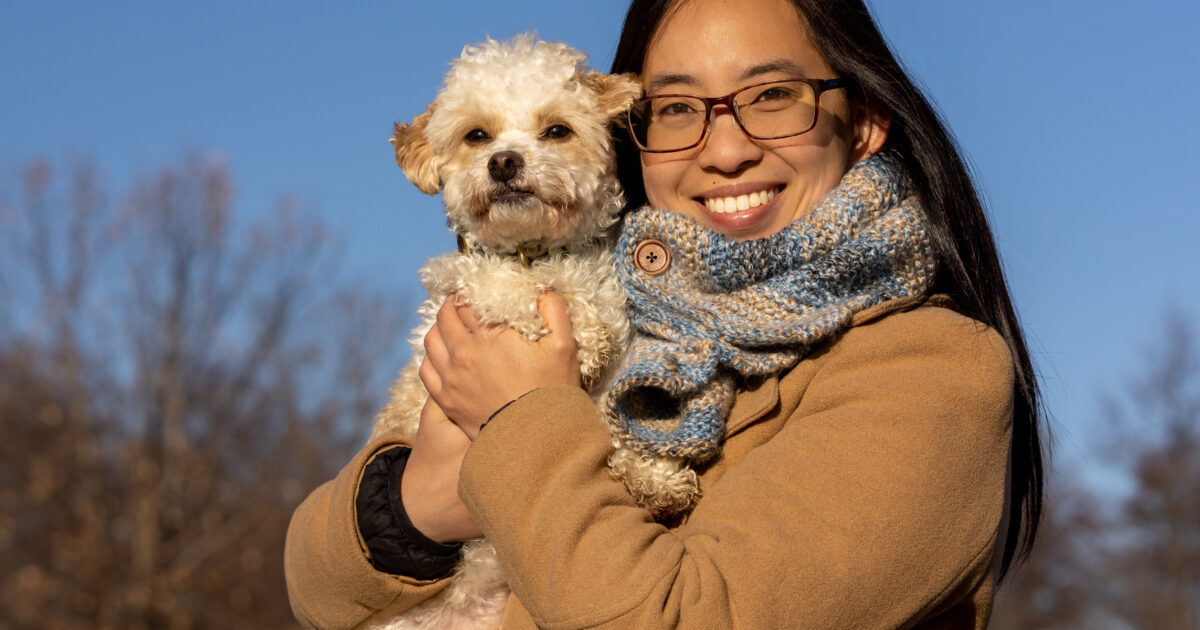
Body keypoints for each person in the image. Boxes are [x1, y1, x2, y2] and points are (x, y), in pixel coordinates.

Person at [284, 0, 1045, 627]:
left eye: (772, 96)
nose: (724, 149)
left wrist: (520, 422)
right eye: (678, 108)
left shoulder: (934, 371)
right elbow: (315, 581)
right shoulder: (601, 310)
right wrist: (417, 508)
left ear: (866, 120)